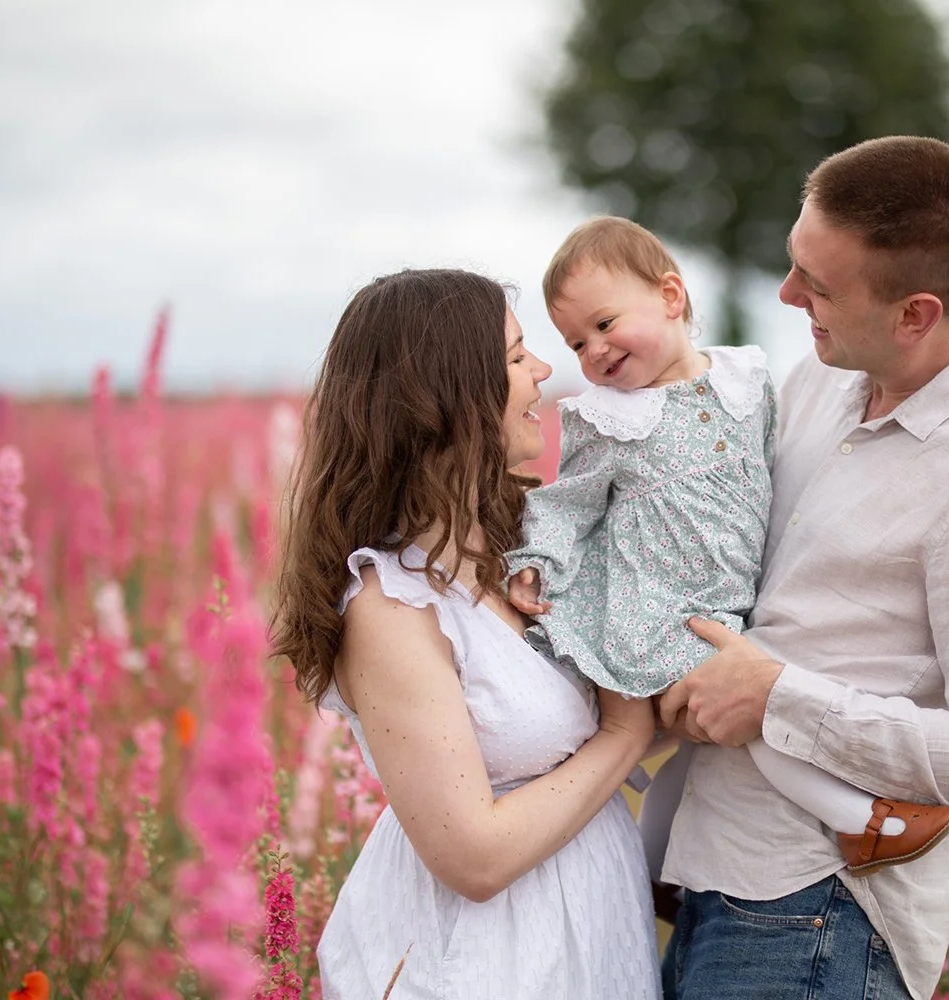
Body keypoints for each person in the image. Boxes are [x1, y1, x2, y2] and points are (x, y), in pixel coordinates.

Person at [655, 137, 949, 1000]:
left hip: (822, 918)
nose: (787, 297)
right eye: (794, 265)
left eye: (817, 286)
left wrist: (777, 696)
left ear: (916, 314)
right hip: (712, 869)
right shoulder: (826, 378)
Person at [505, 217, 949, 898]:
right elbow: (566, 502)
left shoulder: (746, 380)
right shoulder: (610, 418)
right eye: (576, 341)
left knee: (701, 759)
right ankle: (864, 819)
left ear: (670, 297)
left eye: (604, 323)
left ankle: (653, 875)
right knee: (753, 721)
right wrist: (537, 560)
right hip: (659, 612)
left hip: (731, 598)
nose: (593, 350)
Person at [269, 269, 661, 999]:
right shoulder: (391, 606)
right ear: (447, 399)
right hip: (477, 965)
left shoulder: (522, 556)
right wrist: (625, 735)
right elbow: (472, 856)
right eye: (517, 357)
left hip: (586, 940)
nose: (546, 371)